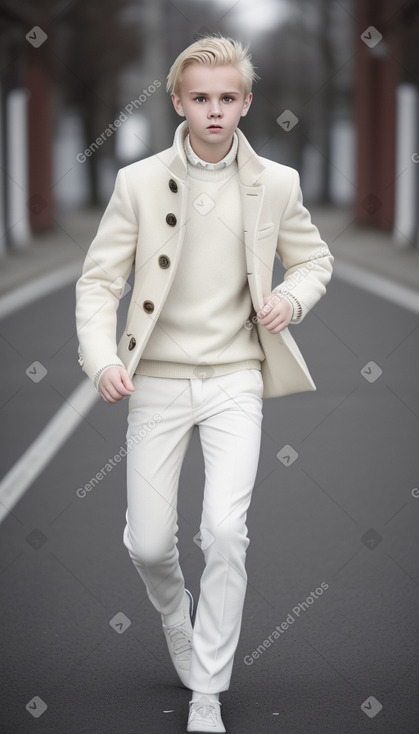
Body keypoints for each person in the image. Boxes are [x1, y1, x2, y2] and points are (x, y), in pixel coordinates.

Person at [75, 34, 334, 733]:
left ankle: (207, 693)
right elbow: (100, 282)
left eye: (227, 98)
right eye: (200, 98)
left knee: (223, 531)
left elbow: (314, 260)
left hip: (235, 379)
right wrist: (102, 358)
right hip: (153, 381)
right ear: (179, 102)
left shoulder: (275, 183)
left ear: (245, 103)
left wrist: (292, 298)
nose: (214, 110)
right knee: (150, 544)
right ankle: (177, 621)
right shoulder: (137, 182)